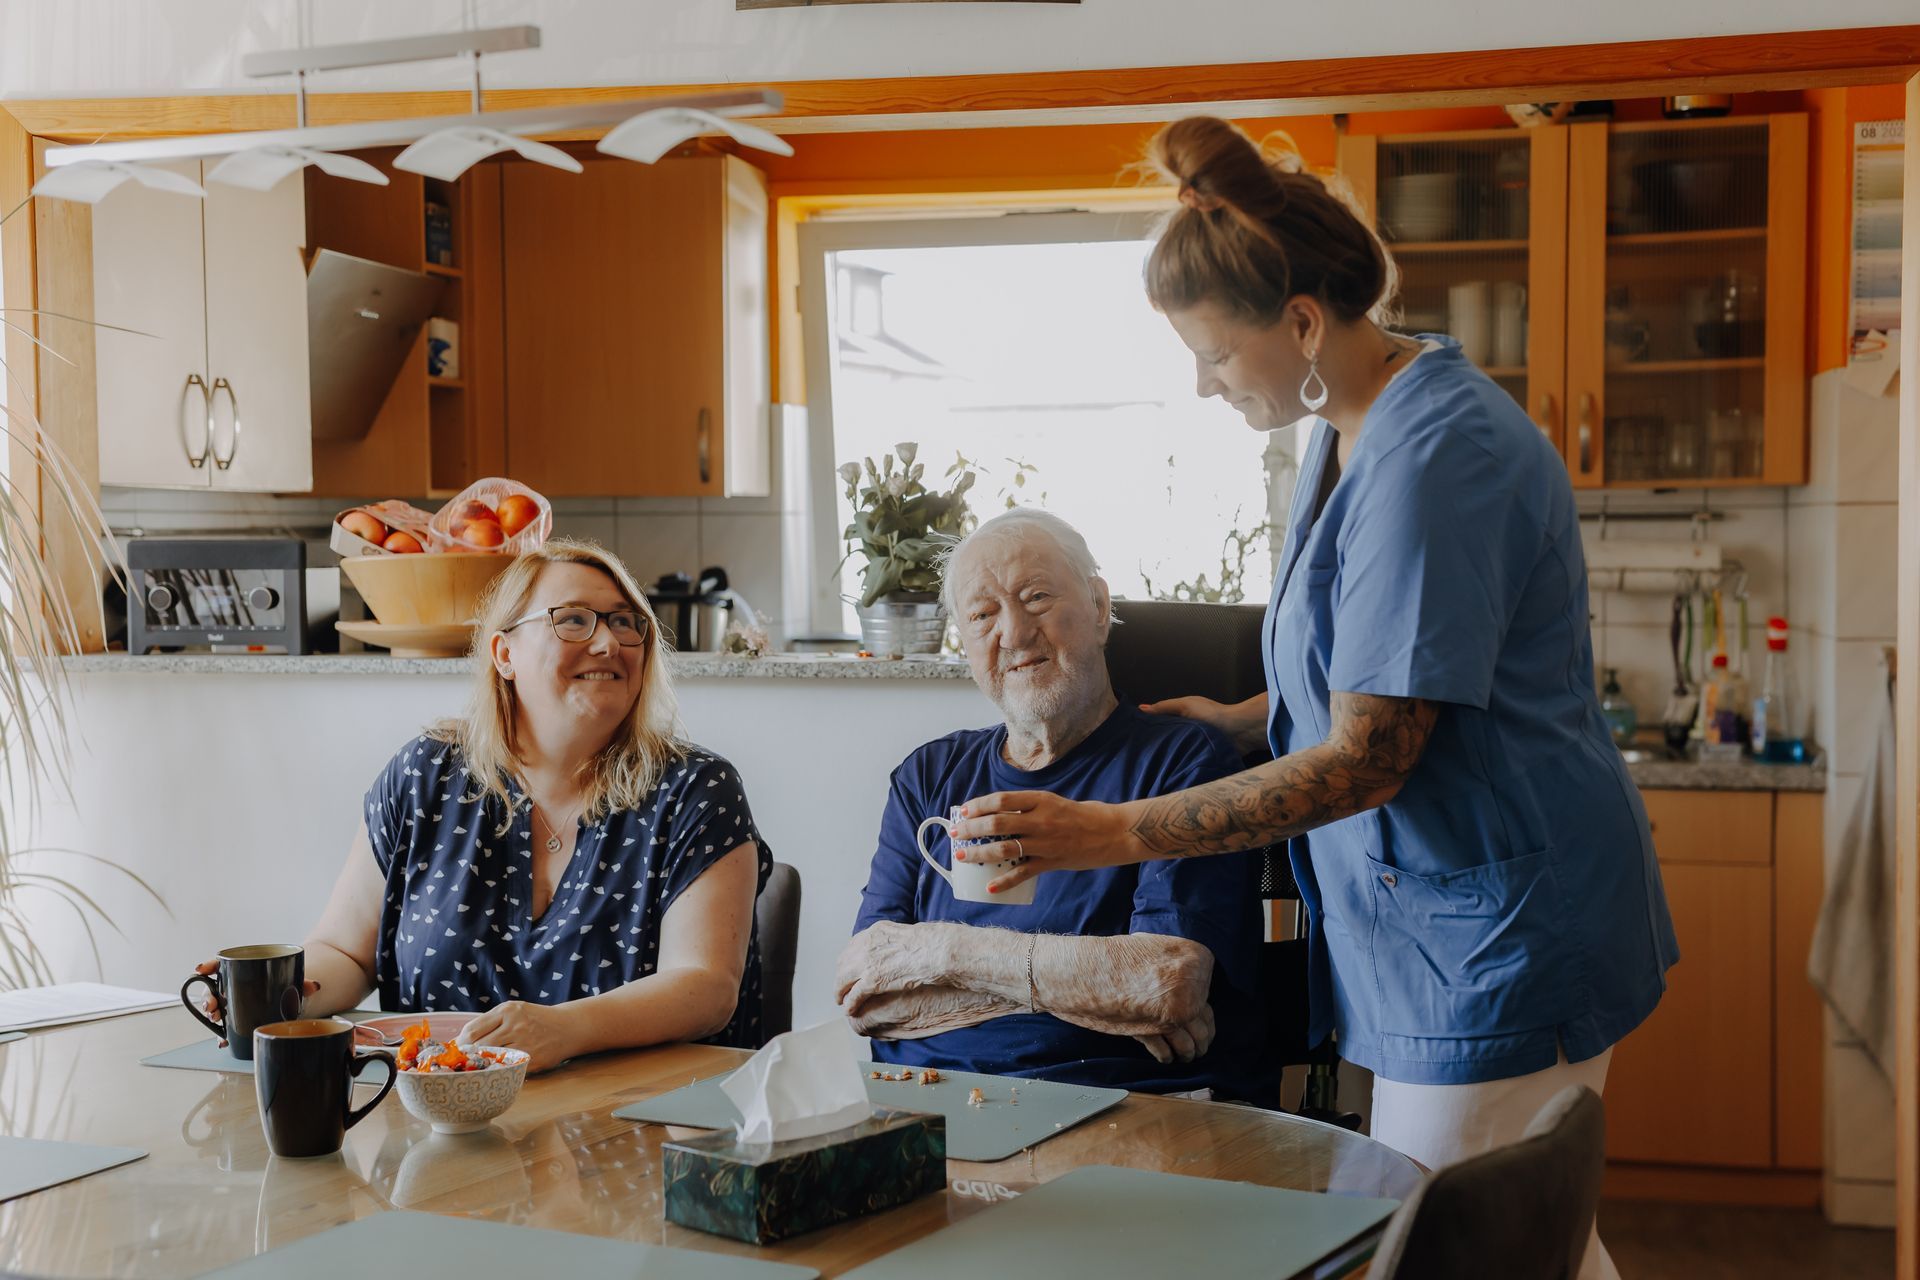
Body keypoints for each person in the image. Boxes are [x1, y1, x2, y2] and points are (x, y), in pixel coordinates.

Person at [946, 119, 1675, 1280]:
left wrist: (1106, 831)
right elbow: (1374, 666)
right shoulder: (1351, 426)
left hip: (1499, 933)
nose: (1204, 383)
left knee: (1449, 1252)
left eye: (1214, 354)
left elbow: (1368, 758)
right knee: (1541, 1247)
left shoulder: (1431, 458)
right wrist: (1237, 719)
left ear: (1299, 324)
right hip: (1445, 924)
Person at [195, 539, 769, 1070]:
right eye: (573, 620)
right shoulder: (425, 775)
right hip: (435, 1118)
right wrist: (282, 994)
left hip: (637, 1118)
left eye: (625, 622)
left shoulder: (697, 790)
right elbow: (346, 952)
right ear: (504, 653)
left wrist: (566, 1029)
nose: (608, 643)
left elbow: (706, 987)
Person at [837, 509, 1273, 1102]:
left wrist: (936, 954)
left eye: (1036, 598)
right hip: (923, 1103)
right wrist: (1096, 996)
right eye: (982, 614)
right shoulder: (928, 775)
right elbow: (863, 988)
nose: (1014, 633)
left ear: (1098, 607)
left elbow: (1164, 982)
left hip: (1120, 1103)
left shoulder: (1185, 763)